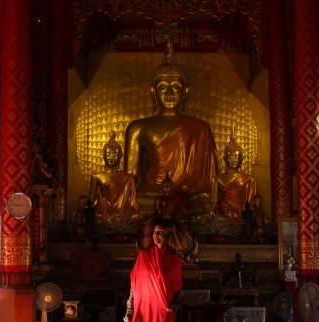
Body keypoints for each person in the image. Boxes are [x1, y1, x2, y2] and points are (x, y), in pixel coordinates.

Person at [124, 35, 219, 216]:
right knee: (136, 201)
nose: (169, 93)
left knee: (207, 202)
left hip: (190, 197)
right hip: (152, 196)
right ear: (153, 91)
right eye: (162, 87)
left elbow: (209, 184)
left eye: (175, 86)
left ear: (186, 91)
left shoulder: (201, 128)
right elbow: (130, 179)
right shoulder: (137, 128)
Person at [88, 131, 139, 222]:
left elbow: (132, 204)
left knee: (136, 217)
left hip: (122, 214)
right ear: (103, 156)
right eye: (108, 155)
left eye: (115, 155)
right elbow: (91, 201)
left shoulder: (128, 178)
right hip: (102, 213)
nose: (111, 158)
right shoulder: (97, 176)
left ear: (120, 156)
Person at [212, 131, 257, 223]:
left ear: (242, 159)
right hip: (224, 216)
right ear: (224, 159)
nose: (233, 160)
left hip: (242, 216)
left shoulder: (249, 180)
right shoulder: (217, 179)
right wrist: (210, 212)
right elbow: (214, 201)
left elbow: (252, 204)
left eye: (236, 157)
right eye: (230, 157)